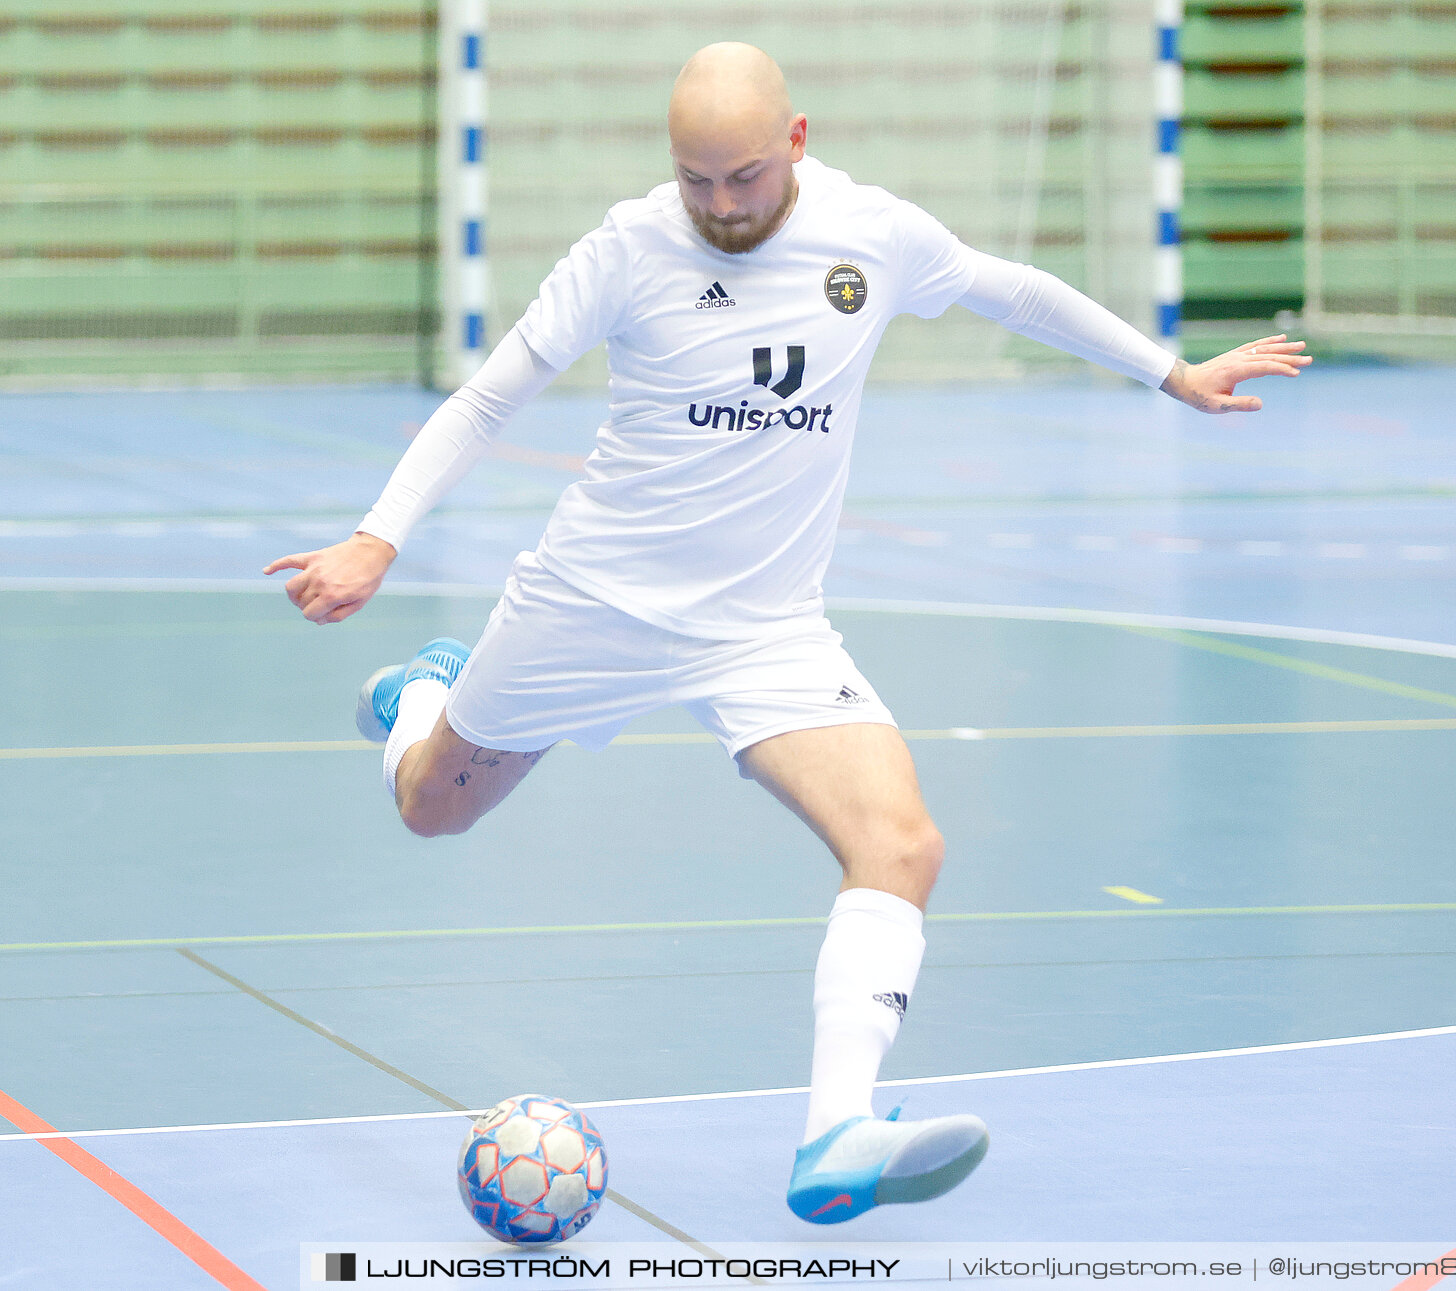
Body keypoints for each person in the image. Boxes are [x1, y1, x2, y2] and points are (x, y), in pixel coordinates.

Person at [263, 43, 1309, 1224]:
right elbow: (490, 394)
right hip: (591, 603)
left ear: (797, 142)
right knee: (430, 806)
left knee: (903, 843)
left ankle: (836, 1134)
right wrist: (377, 537)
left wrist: (1171, 372)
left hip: (764, 628)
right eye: (696, 179)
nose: (719, 206)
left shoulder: (874, 233)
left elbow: (1007, 287)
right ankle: (417, 701)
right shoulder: (625, 247)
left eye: (744, 178)